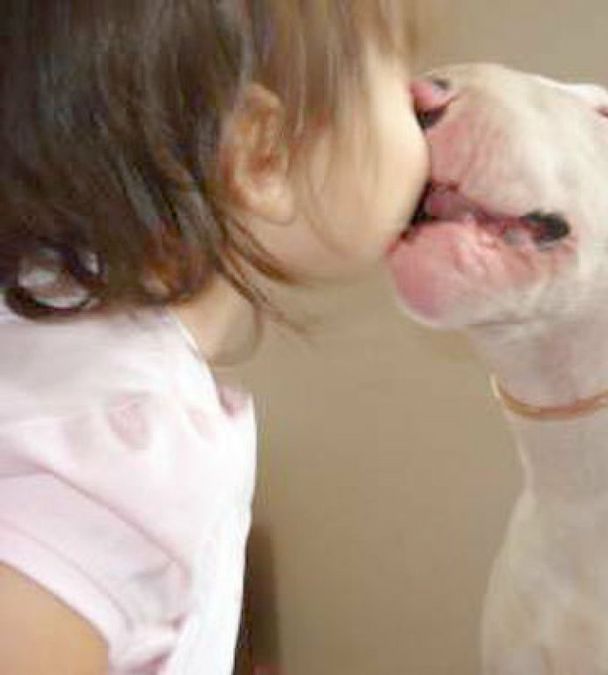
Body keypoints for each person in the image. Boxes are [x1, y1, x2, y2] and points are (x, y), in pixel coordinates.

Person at [0, 1, 429, 672]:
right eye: (401, 76)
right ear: (263, 156)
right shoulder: (115, 456)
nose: (426, 100)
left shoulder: (49, 327)